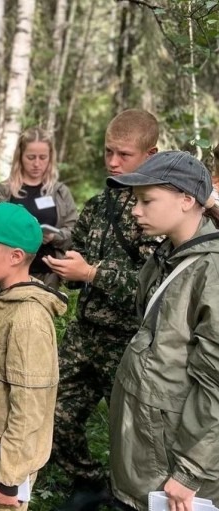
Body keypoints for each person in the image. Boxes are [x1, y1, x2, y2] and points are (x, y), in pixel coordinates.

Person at [42, 109, 161, 510]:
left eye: (123, 154)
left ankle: (131, 496)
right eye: (108, 152)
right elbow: (83, 267)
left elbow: (152, 289)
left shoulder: (159, 210)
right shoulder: (100, 204)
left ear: (151, 153)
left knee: (134, 434)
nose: (112, 162)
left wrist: (91, 272)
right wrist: (68, 268)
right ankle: (89, 483)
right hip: (85, 333)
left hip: (129, 341)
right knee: (54, 414)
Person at [106, 152, 219, 510]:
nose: (136, 211)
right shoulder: (168, 255)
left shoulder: (210, 270)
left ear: (187, 200)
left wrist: (189, 474)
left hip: (175, 464)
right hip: (148, 451)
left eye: (147, 200)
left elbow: (215, 385)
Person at [0, 203, 67, 511]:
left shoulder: (28, 318)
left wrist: (8, 478)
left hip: (1, 471)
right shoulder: (1, 297)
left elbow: (31, 405)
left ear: (16, 257)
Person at [0, 127, 78, 288]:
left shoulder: (59, 192)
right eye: (31, 157)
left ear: (50, 158)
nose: (37, 164)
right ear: (20, 157)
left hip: (47, 275)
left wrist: (54, 237)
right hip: (8, 273)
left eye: (43, 157)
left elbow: (75, 231)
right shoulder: (3, 191)